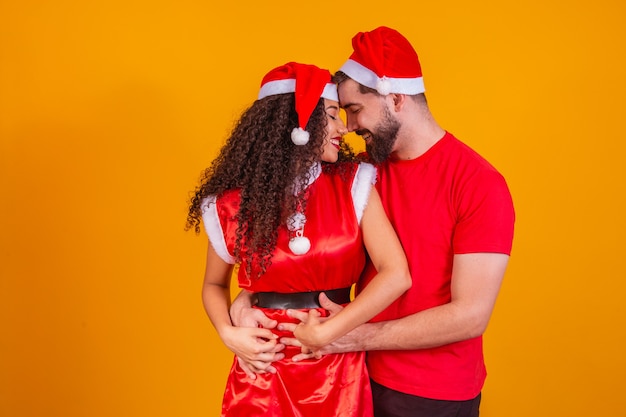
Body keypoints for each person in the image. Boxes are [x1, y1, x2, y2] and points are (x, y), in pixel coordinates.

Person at [231, 28, 516, 417]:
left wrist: (349, 336)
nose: (347, 126)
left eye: (354, 110)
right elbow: (297, 251)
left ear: (396, 99)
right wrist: (249, 301)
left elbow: (470, 315)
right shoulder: (360, 174)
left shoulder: (479, 183)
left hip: (433, 393)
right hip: (351, 380)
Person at [186, 61, 411, 417]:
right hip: (262, 370)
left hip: (335, 364)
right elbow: (214, 284)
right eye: (333, 115)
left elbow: (396, 273)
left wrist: (330, 332)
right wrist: (228, 334)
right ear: (300, 123)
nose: (343, 128)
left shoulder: (354, 184)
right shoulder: (229, 205)